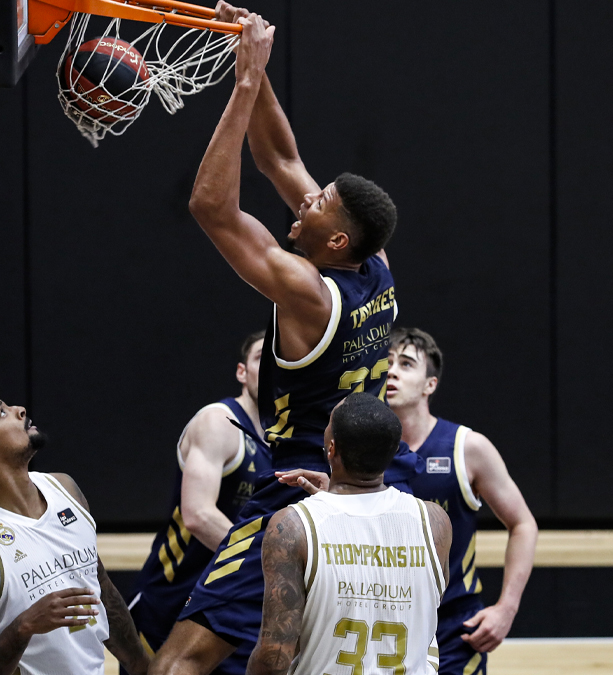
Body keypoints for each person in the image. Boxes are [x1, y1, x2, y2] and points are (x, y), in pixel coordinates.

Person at [151, 8, 415, 675]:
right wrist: (255, 61)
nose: (305, 198)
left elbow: (211, 208)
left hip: (298, 488)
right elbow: (279, 157)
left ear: (333, 242)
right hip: (367, 490)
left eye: (317, 204)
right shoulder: (374, 266)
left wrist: (242, 88)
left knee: (177, 661)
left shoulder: (307, 293)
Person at [286, 329, 538, 675]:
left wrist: (507, 608)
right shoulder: (354, 449)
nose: (392, 372)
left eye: (406, 364)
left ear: (429, 384)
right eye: (387, 362)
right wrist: (333, 496)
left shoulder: (467, 448)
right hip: (370, 617)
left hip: (451, 626)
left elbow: (523, 523)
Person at [0, 380, 150, 675]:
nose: (20, 410)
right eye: (2, 413)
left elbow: (100, 588)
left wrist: (142, 665)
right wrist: (23, 627)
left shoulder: (66, 489)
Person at [248, 393, 452, 675]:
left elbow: (273, 658)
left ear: (331, 449)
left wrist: (332, 503)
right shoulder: (434, 522)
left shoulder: (294, 526)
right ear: (392, 453)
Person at [125, 332, 270, 675]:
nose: (273, 365)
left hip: (233, 603)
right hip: (173, 599)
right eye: (262, 357)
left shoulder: (291, 437)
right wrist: (269, 563)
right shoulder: (218, 421)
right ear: (242, 372)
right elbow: (199, 516)